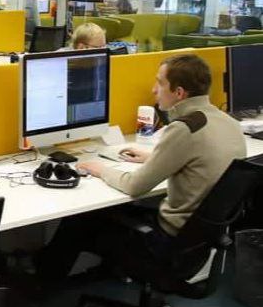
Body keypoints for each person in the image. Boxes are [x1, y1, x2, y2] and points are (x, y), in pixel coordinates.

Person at [39, 55, 246, 283]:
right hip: (195, 243)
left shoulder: (184, 128)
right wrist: (154, 159)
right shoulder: (228, 122)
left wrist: (100, 169)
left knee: (81, 219)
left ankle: (40, 282)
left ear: (179, 93)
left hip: (165, 247)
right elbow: (200, 160)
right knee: (110, 213)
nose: (153, 89)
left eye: (160, 83)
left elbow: (134, 186)